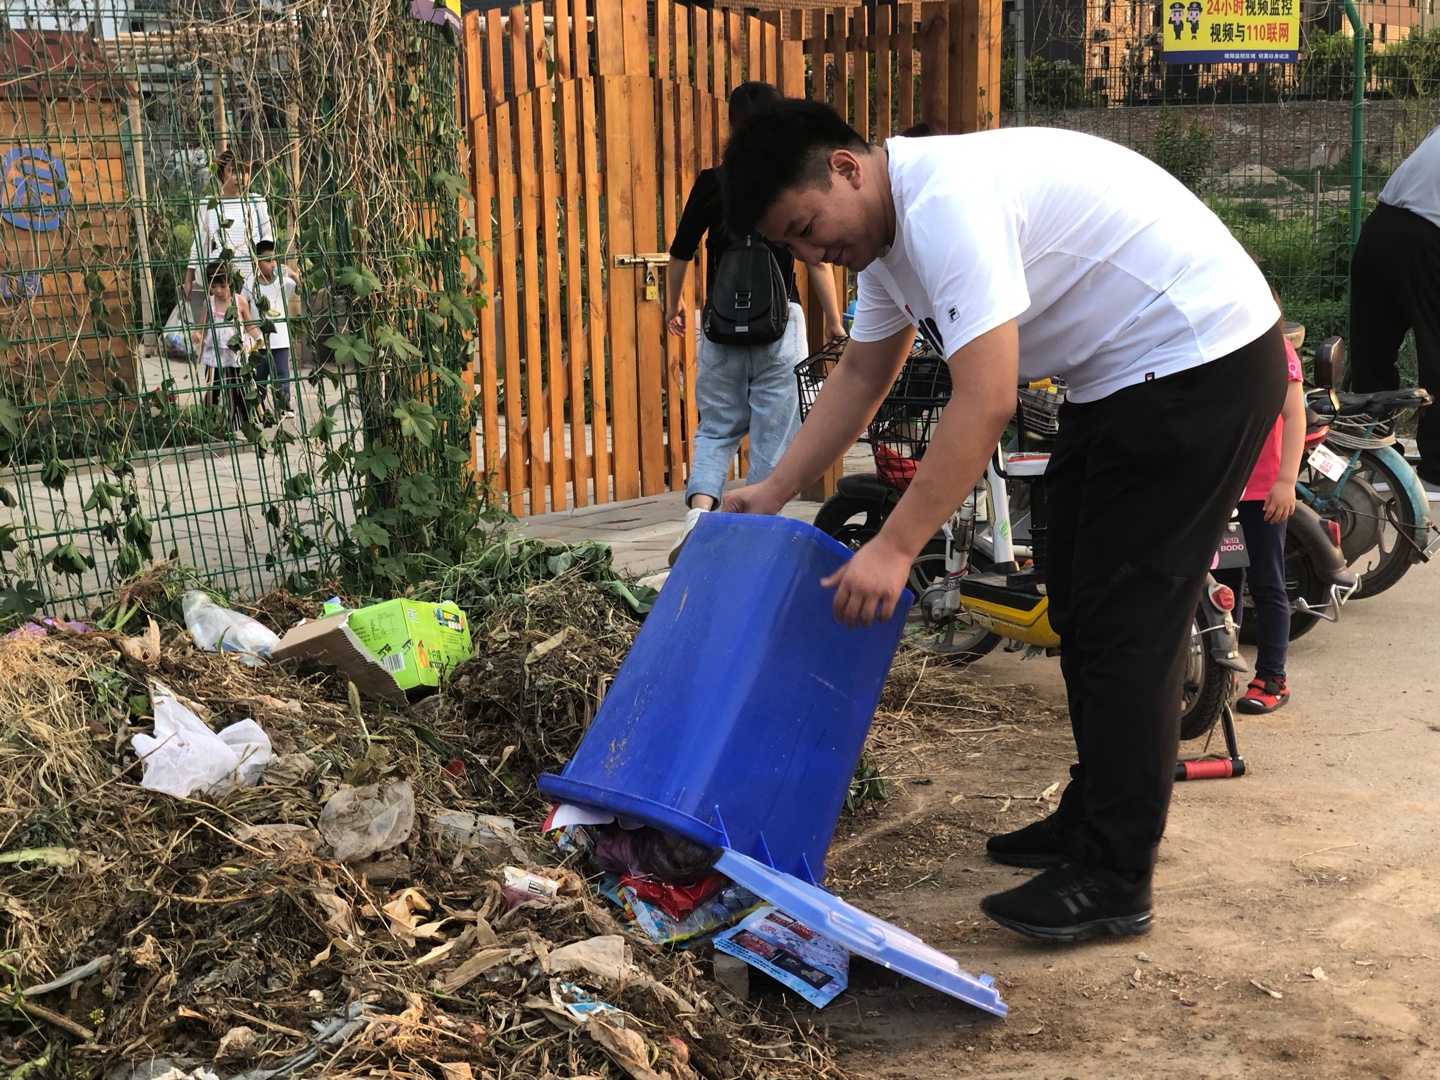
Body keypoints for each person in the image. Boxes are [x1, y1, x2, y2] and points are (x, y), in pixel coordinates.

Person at [720, 101, 1286, 942]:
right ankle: (1096, 812)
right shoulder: (888, 243)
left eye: (807, 230)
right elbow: (863, 376)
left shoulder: (944, 204)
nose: (812, 257)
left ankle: (1115, 873)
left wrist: (896, 546)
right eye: (793, 248)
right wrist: (774, 488)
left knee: (1127, 621)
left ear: (845, 167)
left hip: (1201, 362)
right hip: (1122, 378)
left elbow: (985, 399)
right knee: (1079, 605)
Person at [663, 81, 845, 563]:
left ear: (731, 126)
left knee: (716, 428)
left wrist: (673, 305)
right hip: (778, 326)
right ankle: (753, 536)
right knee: (774, 434)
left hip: (721, 326)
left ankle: (699, 517)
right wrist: (833, 319)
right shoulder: (788, 184)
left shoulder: (713, 182)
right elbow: (816, 260)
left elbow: (680, 253)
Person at [1214, 303, 1306, 714]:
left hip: (1263, 494)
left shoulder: (1276, 348)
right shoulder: (1213, 343)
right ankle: (1221, 671)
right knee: (1221, 587)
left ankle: (1272, 677)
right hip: (1222, 491)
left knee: (1267, 584)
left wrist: (1286, 482)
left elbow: (1294, 414)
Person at [1347, 124, 1440, 497]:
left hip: (1380, 227)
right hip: (1428, 237)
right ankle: (1436, 473)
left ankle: (1376, 460)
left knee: (1372, 351)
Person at [184, 150, 273, 309]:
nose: (240, 177)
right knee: (222, 320)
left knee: (250, 319)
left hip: (251, 279)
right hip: (219, 281)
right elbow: (199, 242)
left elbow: (267, 240)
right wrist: (189, 279)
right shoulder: (209, 204)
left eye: (245, 171)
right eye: (232, 171)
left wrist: (271, 270)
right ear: (221, 174)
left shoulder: (256, 202)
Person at [193, 261, 262, 430]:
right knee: (213, 386)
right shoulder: (209, 303)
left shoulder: (240, 302)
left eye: (222, 286)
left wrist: (258, 338)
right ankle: (210, 422)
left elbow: (249, 325)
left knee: (239, 387)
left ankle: (243, 423)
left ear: (231, 283)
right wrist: (198, 334)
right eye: (213, 286)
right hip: (215, 354)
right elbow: (202, 324)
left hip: (236, 353)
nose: (218, 290)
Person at [241, 239, 300, 423]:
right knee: (260, 375)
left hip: (280, 339)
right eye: (267, 260)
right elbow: (242, 306)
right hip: (259, 340)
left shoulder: (283, 282)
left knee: (282, 373)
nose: (272, 264)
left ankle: (284, 405)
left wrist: (292, 273)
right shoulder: (250, 283)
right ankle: (259, 407)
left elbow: (302, 287)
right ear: (257, 262)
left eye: (274, 259)